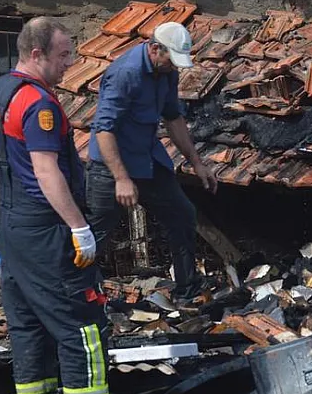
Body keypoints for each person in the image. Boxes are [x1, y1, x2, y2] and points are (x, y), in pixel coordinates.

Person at [0, 16, 136, 394]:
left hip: (13, 228)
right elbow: (46, 172)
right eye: (63, 55)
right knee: (82, 326)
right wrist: (79, 227)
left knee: (29, 324)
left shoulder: (0, 92)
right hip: (46, 229)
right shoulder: (40, 105)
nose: (69, 64)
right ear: (37, 55)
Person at [86, 22, 218, 302]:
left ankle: (187, 288)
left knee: (182, 214)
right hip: (113, 166)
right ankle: (78, 297)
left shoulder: (167, 72)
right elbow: (104, 129)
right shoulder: (126, 74)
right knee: (95, 235)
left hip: (148, 159)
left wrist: (196, 162)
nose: (174, 67)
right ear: (154, 48)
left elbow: (173, 118)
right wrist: (121, 179)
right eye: (171, 60)